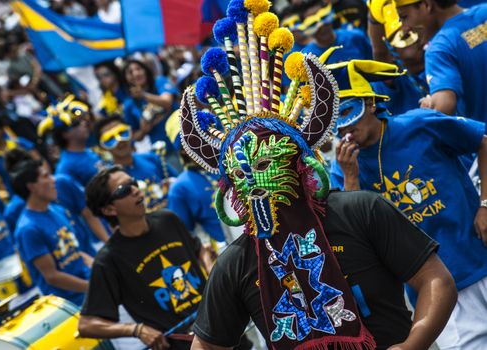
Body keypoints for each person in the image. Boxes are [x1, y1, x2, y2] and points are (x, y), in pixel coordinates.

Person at [178, 9, 456, 349]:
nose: (254, 181)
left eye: (265, 162)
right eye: (240, 173)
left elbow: (435, 280)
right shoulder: (235, 264)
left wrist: (412, 344)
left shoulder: (361, 211)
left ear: (299, 162)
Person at [329, 59, 487, 349]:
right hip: (436, 288)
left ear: (370, 103)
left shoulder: (420, 124)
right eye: (336, 124)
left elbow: (482, 141)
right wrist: (351, 177)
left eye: (350, 114)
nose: (345, 129)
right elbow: (354, 242)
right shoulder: (341, 168)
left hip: (479, 252)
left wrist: (486, 204)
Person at [78, 166, 216, 350]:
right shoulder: (109, 260)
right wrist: (137, 330)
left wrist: (213, 274)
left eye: (133, 183)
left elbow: (201, 250)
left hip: (219, 328)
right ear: (109, 209)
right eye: (124, 189)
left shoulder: (168, 220)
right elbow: (86, 324)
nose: (135, 189)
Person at [10, 158, 91, 306]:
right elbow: (52, 276)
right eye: (46, 176)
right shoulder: (28, 229)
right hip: (71, 305)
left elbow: (74, 253)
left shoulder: (56, 210)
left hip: (89, 291)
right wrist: (92, 287)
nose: (53, 180)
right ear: (32, 187)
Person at [395, 0, 487, 124]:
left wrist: (431, 106)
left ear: (427, 5)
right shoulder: (484, 12)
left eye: (404, 17)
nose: (405, 28)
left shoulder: (439, 48)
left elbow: (444, 108)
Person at [165, 113, 227, 244]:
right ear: (183, 149)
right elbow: (184, 235)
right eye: (196, 136)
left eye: (206, 130)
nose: (205, 138)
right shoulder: (179, 189)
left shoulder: (234, 159)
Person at [95, 116, 177, 212]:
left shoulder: (151, 158)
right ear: (102, 147)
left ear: (131, 132)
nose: (120, 141)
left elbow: (176, 182)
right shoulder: (111, 181)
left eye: (122, 133)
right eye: (110, 139)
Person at [40, 95, 103, 187]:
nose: (84, 124)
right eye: (77, 124)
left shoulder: (87, 150)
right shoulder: (65, 168)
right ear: (65, 134)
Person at [122, 59, 178, 155]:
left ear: (145, 70)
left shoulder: (160, 82)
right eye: (130, 72)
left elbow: (167, 102)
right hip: (163, 148)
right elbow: (134, 136)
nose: (136, 74)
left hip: (183, 134)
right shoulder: (128, 105)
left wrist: (143, 95)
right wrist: (143, 131)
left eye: (138, 69)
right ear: (125, 78)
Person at [0, 116, 44, 198]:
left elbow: (41, 162)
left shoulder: (19, 143)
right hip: (17, 198)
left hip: (38, 190)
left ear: (1, 130)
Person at [299, 1, 372, 64]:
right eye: (313, 24)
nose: (321, 25)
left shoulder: (355, 37)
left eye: (323, 17)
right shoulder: (307, 57)